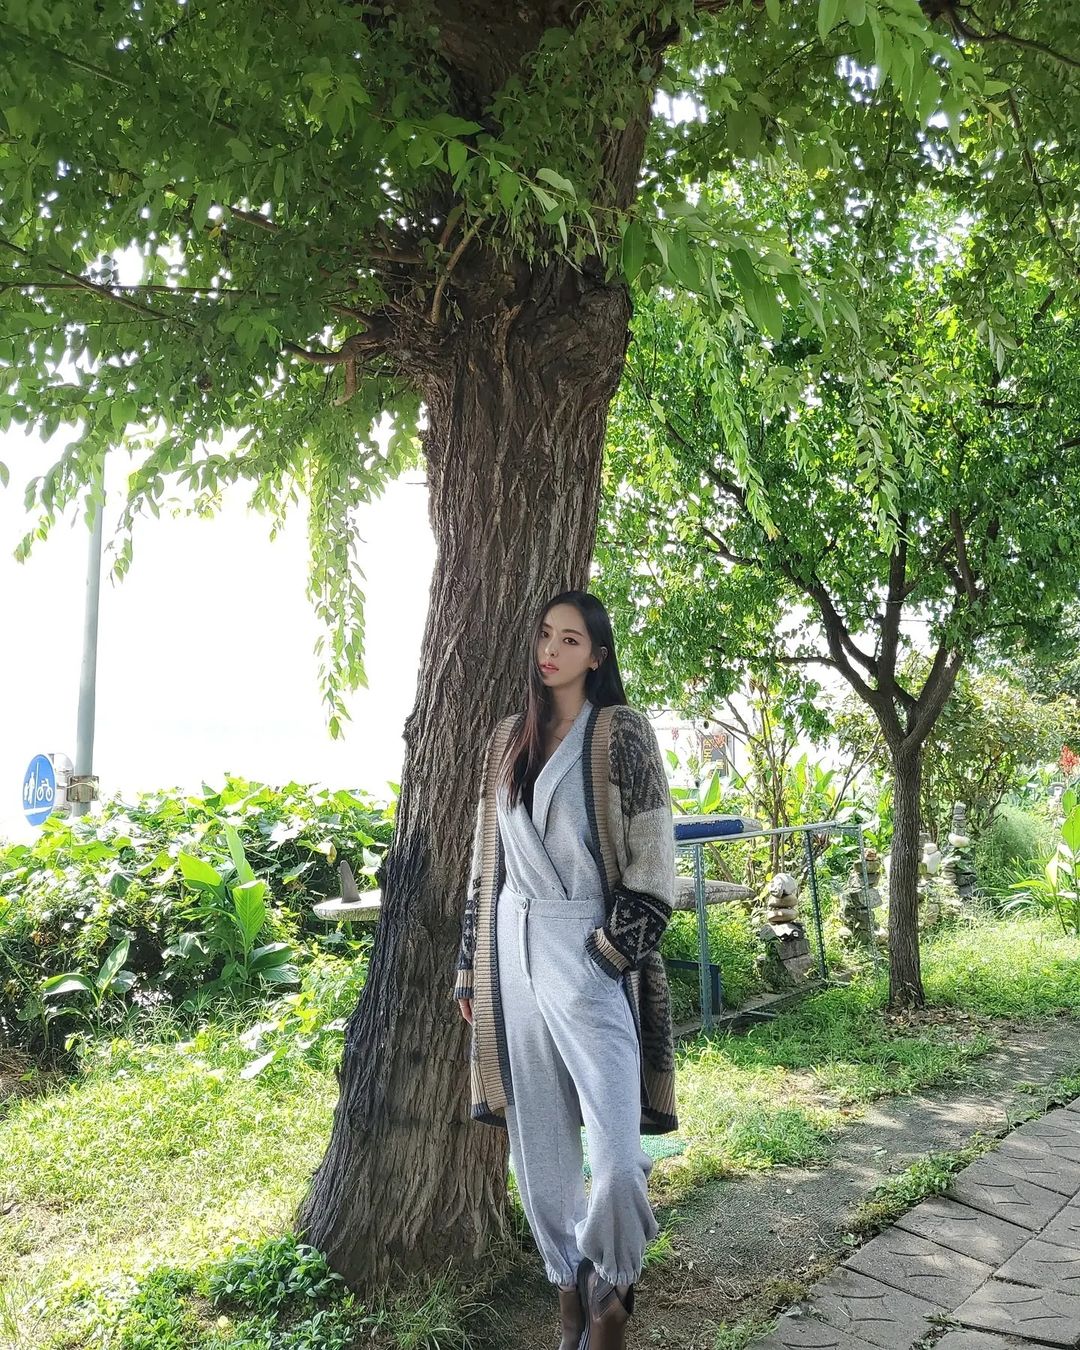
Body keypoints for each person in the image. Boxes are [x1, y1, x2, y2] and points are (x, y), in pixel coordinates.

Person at [453, 589, 678, 1350]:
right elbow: (484, 862)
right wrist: (470, 968)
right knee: (538, 1151)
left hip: (585, 950)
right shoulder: (506, 739)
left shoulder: (622, 735)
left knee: (616, 1155)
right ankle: (568, 1294)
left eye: (571, 639)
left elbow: (654, 860)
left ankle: (611, 1286)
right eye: (546, 635)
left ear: (597, 655)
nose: (551, 650)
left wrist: (608, 955)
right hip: (511, 952)